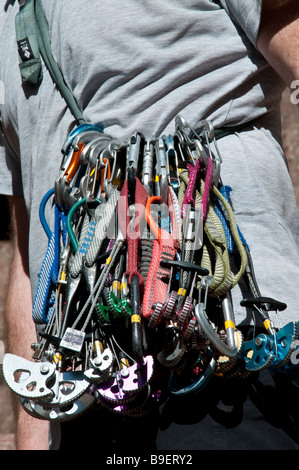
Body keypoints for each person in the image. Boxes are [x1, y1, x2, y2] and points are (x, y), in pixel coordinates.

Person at [0, 0, 299, 451]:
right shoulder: (7, 18)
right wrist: (37, 429)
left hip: (235, 357)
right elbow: (30, 261)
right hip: (86, 392)